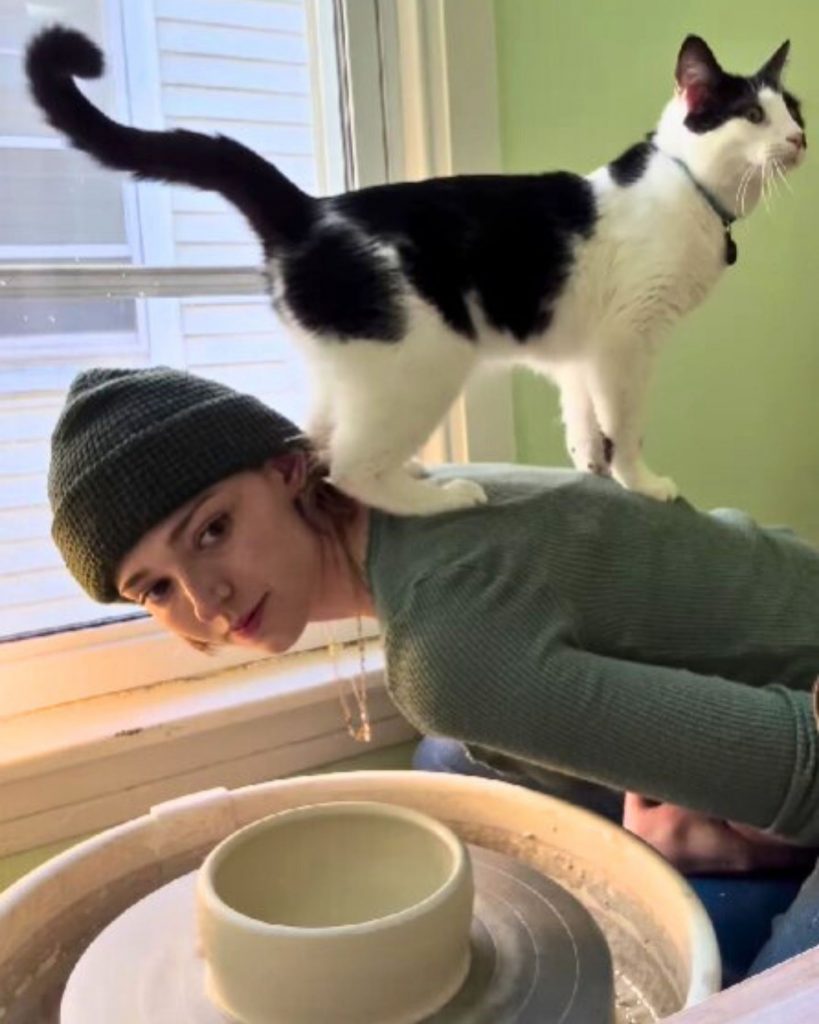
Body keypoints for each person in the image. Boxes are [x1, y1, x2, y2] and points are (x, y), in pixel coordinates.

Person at [48, 365, 819, 981]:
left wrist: (727, 841)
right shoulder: (406, 501)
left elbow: (811, 772)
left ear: (287, 470)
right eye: (152, 588)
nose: (202, 599)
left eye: (212, 530)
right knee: (451, 759)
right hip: (788, 607)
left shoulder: (445, 654)